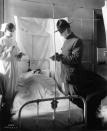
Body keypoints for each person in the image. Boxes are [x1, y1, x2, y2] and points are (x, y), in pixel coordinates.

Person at [50, 19, 107, 129]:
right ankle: (85, 121)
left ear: (67, 29)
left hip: (75, 76)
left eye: (62, 32)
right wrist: (58, 56)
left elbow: (75, 59)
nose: (61, 34)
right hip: (67, 77)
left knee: (86, 98)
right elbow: (66, 56)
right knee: (75, 101)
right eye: (60, 32)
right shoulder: (66, 41)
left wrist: (61, 57)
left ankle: (91, 122)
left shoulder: (77, 41)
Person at [0, 22, 25, 119]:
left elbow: (17, 51)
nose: (12, 33)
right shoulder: (1, 40)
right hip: (6, 66)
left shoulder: (14, 40)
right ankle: (6, 110)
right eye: (10, 31)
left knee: (14, 85)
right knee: (7, 87)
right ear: (5, 30)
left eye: (13, 31)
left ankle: (12, 108)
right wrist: (8, 51)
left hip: (14, 65)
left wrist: (19, 55)